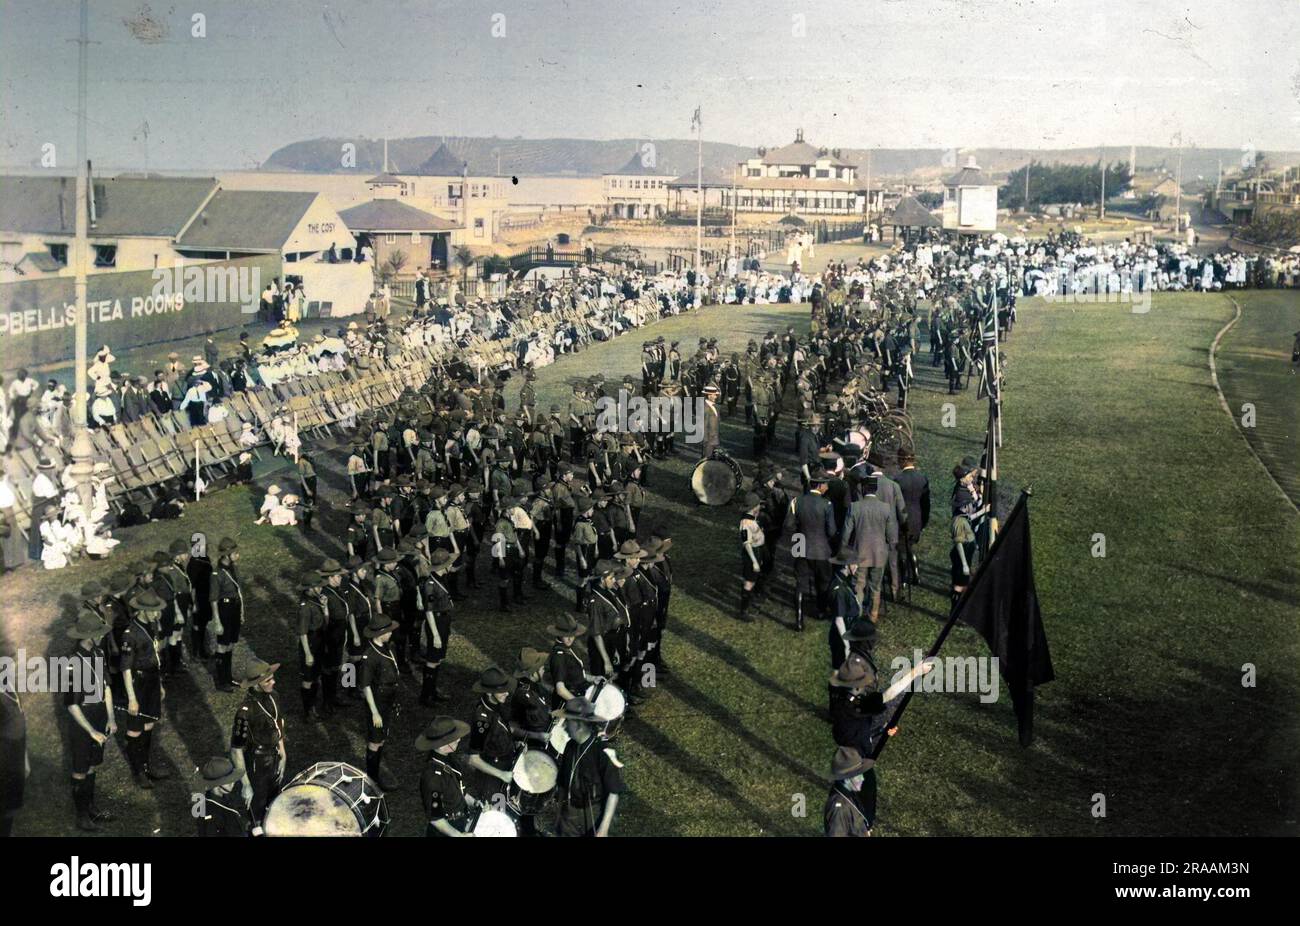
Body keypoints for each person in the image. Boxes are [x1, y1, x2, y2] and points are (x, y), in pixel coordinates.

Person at [63, 612, 116, 831]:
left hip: (99, 716)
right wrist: (91, 731)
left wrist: (111, 718)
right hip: (82, 721)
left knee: (93, 764)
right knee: (81, 768)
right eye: (98, 634)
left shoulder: (99, 652)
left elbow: (106, 688)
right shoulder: (71, 662)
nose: (102, 637)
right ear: (87, 636)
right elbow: (71, 704)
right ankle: (82, 816)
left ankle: (91, 807)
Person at [119, 589, 170, 789]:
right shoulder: (129, 634)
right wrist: (132, 698)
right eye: (154, 611)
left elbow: (154, 658)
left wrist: (159, 685)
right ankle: (138, 771)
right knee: (135, 729)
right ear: (142, 610)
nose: (157, 614)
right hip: (137, 683)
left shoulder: (151, 625)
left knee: (149, 724)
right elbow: (125, 668)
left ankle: (147, 766)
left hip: (151, 681)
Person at [555, 697, 626, 837]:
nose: (563, 726)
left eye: (567, 722)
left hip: (593, 814)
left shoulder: (603, 752)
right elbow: (564, 784)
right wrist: (560, 814)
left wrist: (603, 829)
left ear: (579, 725)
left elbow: (613, 792)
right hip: (569, 813)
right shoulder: (570, 746)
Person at [229, 658, 286, 833]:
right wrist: (245, 784)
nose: (273, 682)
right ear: (256, 684)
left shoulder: (274, 696)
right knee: (256, 812)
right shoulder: (245, 712)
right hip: (257, 764)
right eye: (268, 680)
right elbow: (235, 750)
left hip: (275, 758)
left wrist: (283, 753)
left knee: (275, 803)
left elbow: (279, 725)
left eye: (273, 678)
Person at [840, 473, 896, 622]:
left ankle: (856, 616)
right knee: (875, 587)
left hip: (859, 553)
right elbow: (891, 535)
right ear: (875, 490)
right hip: (879, 554)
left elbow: (846, 533)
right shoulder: (886, 508)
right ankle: (873, 615)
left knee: (858, 586)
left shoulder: (855, 507)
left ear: (863, 489)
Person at [358, 612, 402, 790]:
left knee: (381, 739)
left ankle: (374, 776)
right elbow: (366, 686)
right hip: (377, 702)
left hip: (387, 700)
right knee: (375, 741)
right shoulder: (370, 656)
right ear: (379, 633)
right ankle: (372, 780)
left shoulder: (386, 647)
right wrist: (375, 712)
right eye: (388, 630)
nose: (391, 633)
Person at [414, 716, 476, 837]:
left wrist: (474, 803)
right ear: (443, 745)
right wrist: (459, 835)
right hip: (446, 831)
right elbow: (436, 819)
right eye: (454, 738)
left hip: (460, 822)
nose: (458, 739)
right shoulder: (432, 778)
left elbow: (458, 790)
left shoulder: (449, 758)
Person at [790, 469, 836, 631]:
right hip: (821, 548)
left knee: (800, 581)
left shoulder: (797, 501)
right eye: (826, 485)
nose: (827, 488)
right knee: (823, 581)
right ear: (820, 485)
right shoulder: (826, 504)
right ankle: (821, 610)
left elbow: (789, 525)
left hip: (800, 545)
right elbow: (831, 531)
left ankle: (799, 619)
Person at [467, 665, 517, 794]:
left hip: (505, 767)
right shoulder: (482, 720)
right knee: (498, 811)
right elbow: (473, 759)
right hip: (492, 778)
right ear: (489, 692)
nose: (507, 693)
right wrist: (501, 775)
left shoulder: (495, 704)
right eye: (502, 691)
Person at [209, 538, 243, 692]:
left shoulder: (232, 569)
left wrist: (241, 611)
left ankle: (228, 677)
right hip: (224, 609)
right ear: (226, 555)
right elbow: (214, 599)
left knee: (230, 644)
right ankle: (221, 681)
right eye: (235, 553)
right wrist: (217, 621)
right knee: (222, 645)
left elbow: (238, 591)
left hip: (234, 608)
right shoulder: (217, 574)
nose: (238, 555)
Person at [893, 450, 930, 591]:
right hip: (917, 519)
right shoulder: (923, 478)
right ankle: (915, 572)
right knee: (910, 546)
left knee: (901, 549)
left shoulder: (898, 480)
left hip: (902, 519)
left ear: (902, 461)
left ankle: (903, 578)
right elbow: (926, 503)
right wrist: (923, 521)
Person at [824, 746, 876, 837]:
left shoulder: (849, 794)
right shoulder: (839, 809)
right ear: (846, 779)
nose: (862, 779)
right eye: (858, 775)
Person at [195, 757, 252, 837]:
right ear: (217, 785)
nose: (233, 782)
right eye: (229, 781)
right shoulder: (210, 813)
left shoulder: (226, 796)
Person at [738, 491, 765, 623]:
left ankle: (749, 604)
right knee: (749, 581)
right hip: (751, 554)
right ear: (754, 506)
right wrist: (754, 561)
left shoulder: (751, 518)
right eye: (758, 505)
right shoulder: (745, 523)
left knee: (753, 580)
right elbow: (746, 543)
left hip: (757, 551)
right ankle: (743, 611)